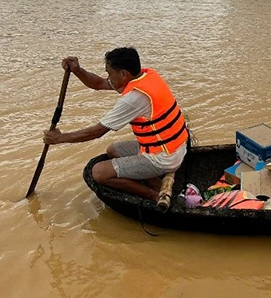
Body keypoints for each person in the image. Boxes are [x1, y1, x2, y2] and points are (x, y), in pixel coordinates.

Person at [43, 47, 189, 203]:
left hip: (164, 158)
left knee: (98, 173)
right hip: (174, 147)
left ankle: (152, 196)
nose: (108, 77)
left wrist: (60, 138)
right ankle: (157, 185)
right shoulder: (146, 76)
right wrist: (78, 71)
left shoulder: (134, 98)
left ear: (124, 74)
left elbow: (97, 132)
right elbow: (98, 83)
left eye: (109, 73)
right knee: (113, 150)